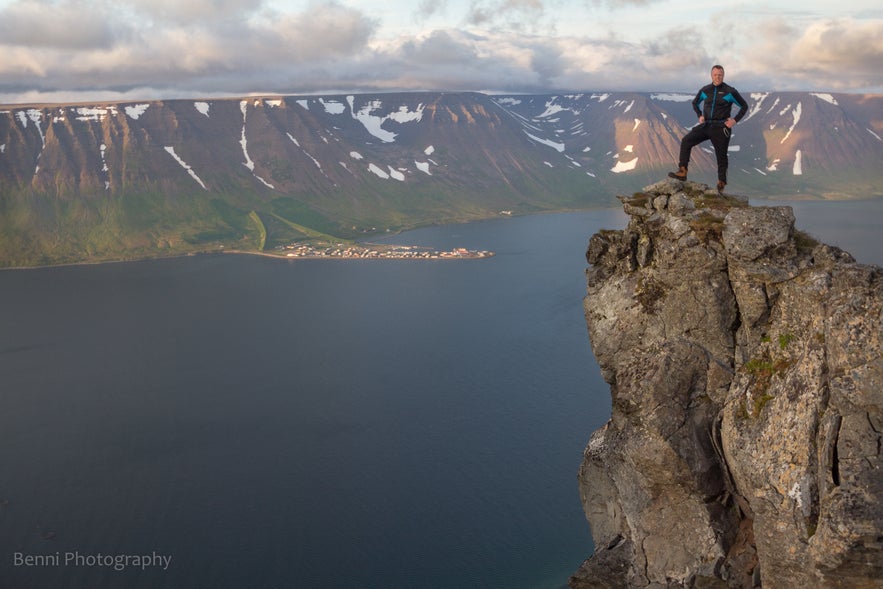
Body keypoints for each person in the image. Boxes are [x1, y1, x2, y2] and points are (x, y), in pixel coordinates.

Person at [668, 65, 749, 192]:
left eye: (720, 75)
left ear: (723, 75)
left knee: (721, 156)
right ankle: (682, 171)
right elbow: (695, 103)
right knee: (686, 141)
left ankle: (721, 183)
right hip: (706, 125)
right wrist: (699, 115)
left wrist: (734, 120)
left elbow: (744, 106)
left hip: (722, 127)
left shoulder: (730, 91)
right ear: (711, 75)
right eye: (715, 74)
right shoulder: (706, 90)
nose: (718, 77)